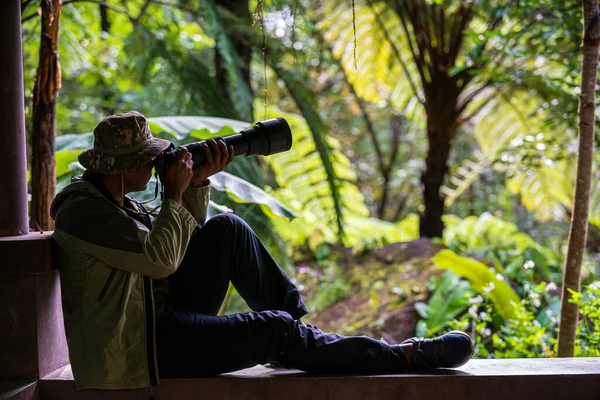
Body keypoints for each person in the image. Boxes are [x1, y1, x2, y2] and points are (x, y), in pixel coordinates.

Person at [50, 111, 474, 390]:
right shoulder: (83, 211)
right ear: (122, 166)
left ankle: (302, 334)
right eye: (147, 159)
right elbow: (159, 260)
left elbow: (185, 242)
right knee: (274, 329)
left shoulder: (119, 200)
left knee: (228, 230)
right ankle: (400, 356)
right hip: (141, 347)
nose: (156, 164)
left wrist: (196, 184)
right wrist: (176, 196)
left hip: (159, 315)